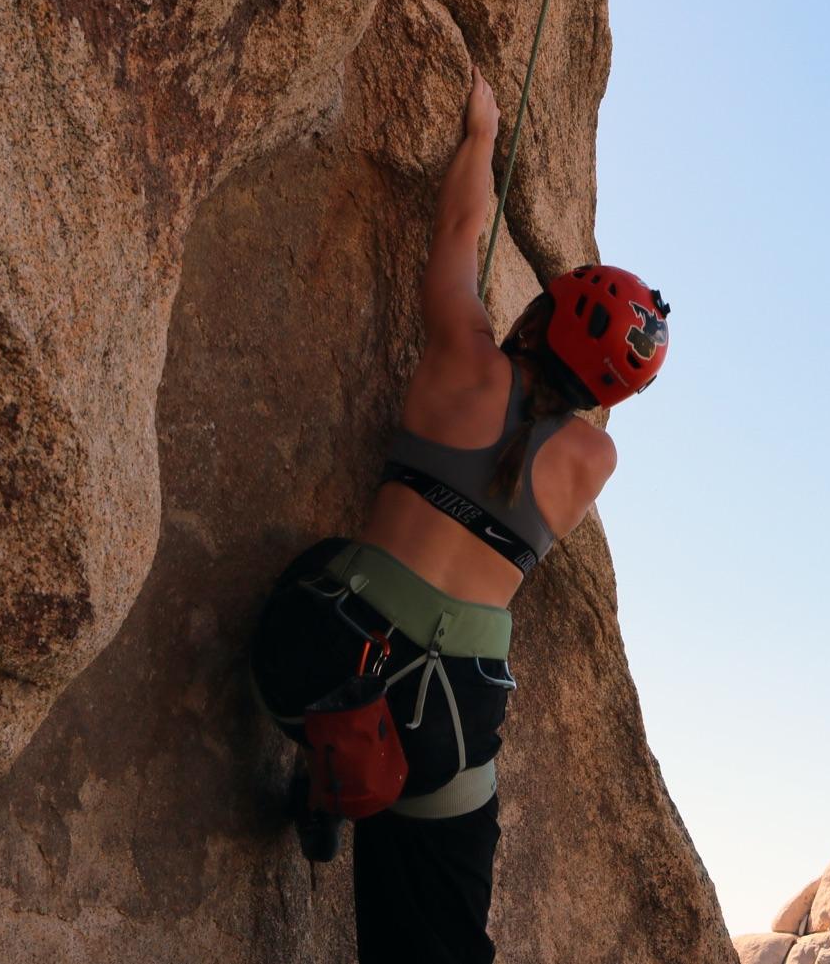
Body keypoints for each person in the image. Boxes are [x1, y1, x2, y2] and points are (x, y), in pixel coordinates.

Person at [248, 67, 671, 964]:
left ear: (546, 309)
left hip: (321, 658)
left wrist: (480, 133)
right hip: (447, 721)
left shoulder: (460, 354)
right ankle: (339, 790)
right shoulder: (595, 462)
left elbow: (460, 227)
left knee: (316, 567)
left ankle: (326, 783)